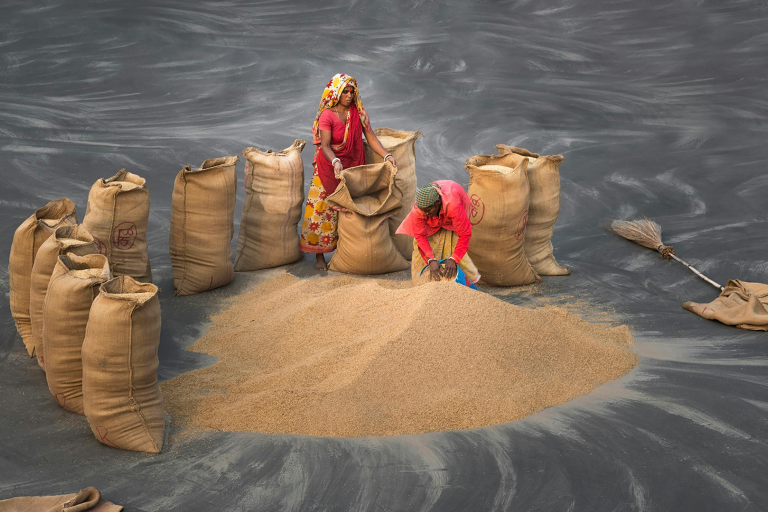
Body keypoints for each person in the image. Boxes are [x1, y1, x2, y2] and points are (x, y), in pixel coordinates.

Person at [300, 73, 397, 271]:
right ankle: (320, 256)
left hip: (352, 167)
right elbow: (325, 145)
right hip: (329, 166)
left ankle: (347, 254)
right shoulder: (327, 115)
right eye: (345, 91)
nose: (349, 95)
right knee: (323, 210)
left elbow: (370, 137)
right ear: (336, 92)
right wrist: (335, 160)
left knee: (349, 211)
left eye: (352, 91)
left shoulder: (358, 112)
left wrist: (387, 156)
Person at [396, 181, 481, 285]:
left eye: (429, 210)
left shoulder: (453, 205)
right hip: (434, 219)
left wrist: (454, 259)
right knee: (422, 253)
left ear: (438, 202)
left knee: (453, 247)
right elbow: (420, 235)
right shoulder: (419, 210)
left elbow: (464, 235)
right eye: (424, 211)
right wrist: (431, 260)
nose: (426, 213)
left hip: (452, 214)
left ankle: (467, 282)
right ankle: (421, 286)